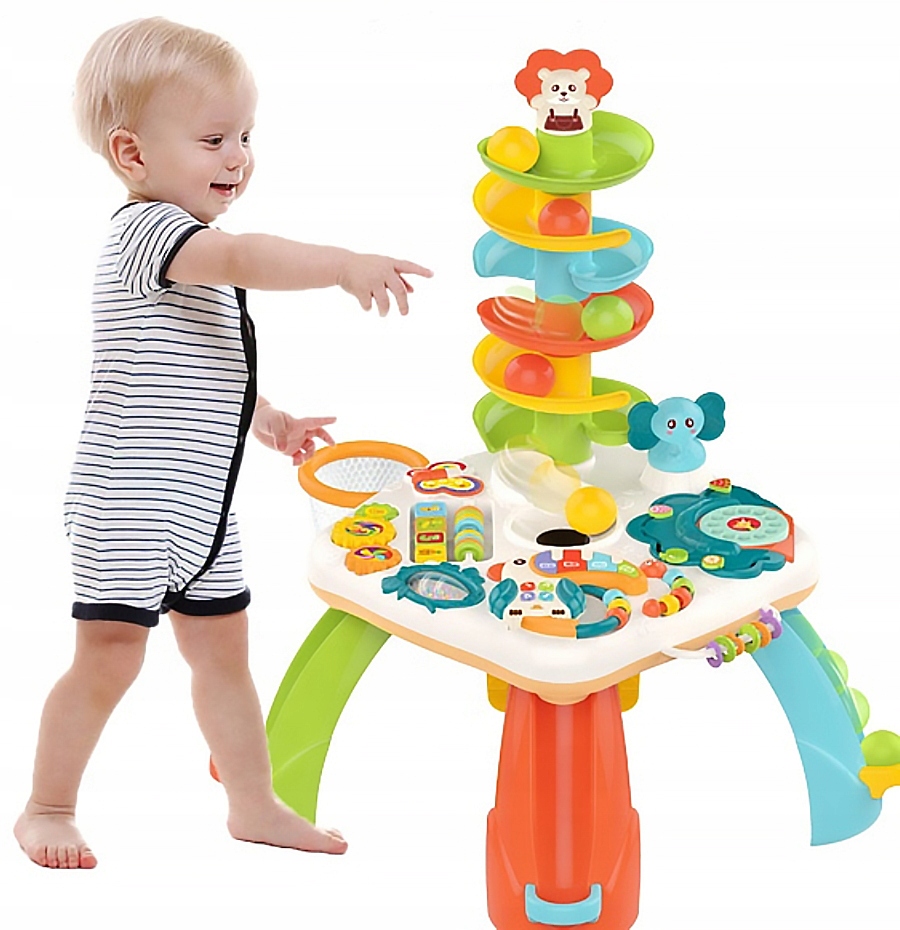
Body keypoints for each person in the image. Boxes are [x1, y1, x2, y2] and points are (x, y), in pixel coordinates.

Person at [13, 16, 432, 870]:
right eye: (214, 140)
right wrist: (341, 264)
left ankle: (253, 804)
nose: (238, 157)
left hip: (202, 509)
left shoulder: (187, 255)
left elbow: (199, 366)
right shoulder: (149, 233)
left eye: (246, 136)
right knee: (109, 658)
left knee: (226, 658)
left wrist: (268, 419)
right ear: (132, 154)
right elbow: (244, 257)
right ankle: (47, 807)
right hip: (129, 503)